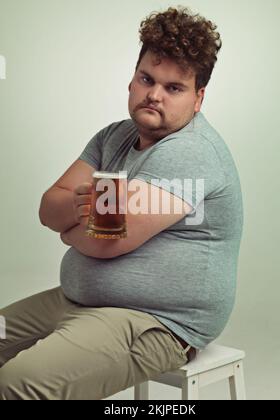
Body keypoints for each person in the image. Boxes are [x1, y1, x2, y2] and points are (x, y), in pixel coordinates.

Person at [0, 6, 243, 400]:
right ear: (132, 79)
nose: (154, 95)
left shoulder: (190, 151)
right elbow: (48, 206)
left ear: (198, 99)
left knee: (19, 383)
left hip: (156, 322)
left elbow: (107, 241)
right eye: (146, 79)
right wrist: (79, 216)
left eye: (173, 88)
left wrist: (67, 229)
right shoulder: (112, 137)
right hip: (75, 303)